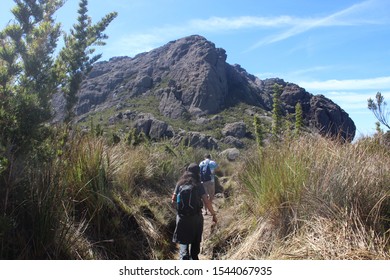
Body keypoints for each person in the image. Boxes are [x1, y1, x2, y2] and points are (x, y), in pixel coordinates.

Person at [171, 163, 217, 260]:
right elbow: (207, 202)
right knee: (195, 244)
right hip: (196, 218)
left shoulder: (180, 183)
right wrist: (213, 214)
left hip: (182, 218)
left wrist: (180, 210)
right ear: (198, 172)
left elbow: (173, 200)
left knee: (183, 246)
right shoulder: (198, 184)